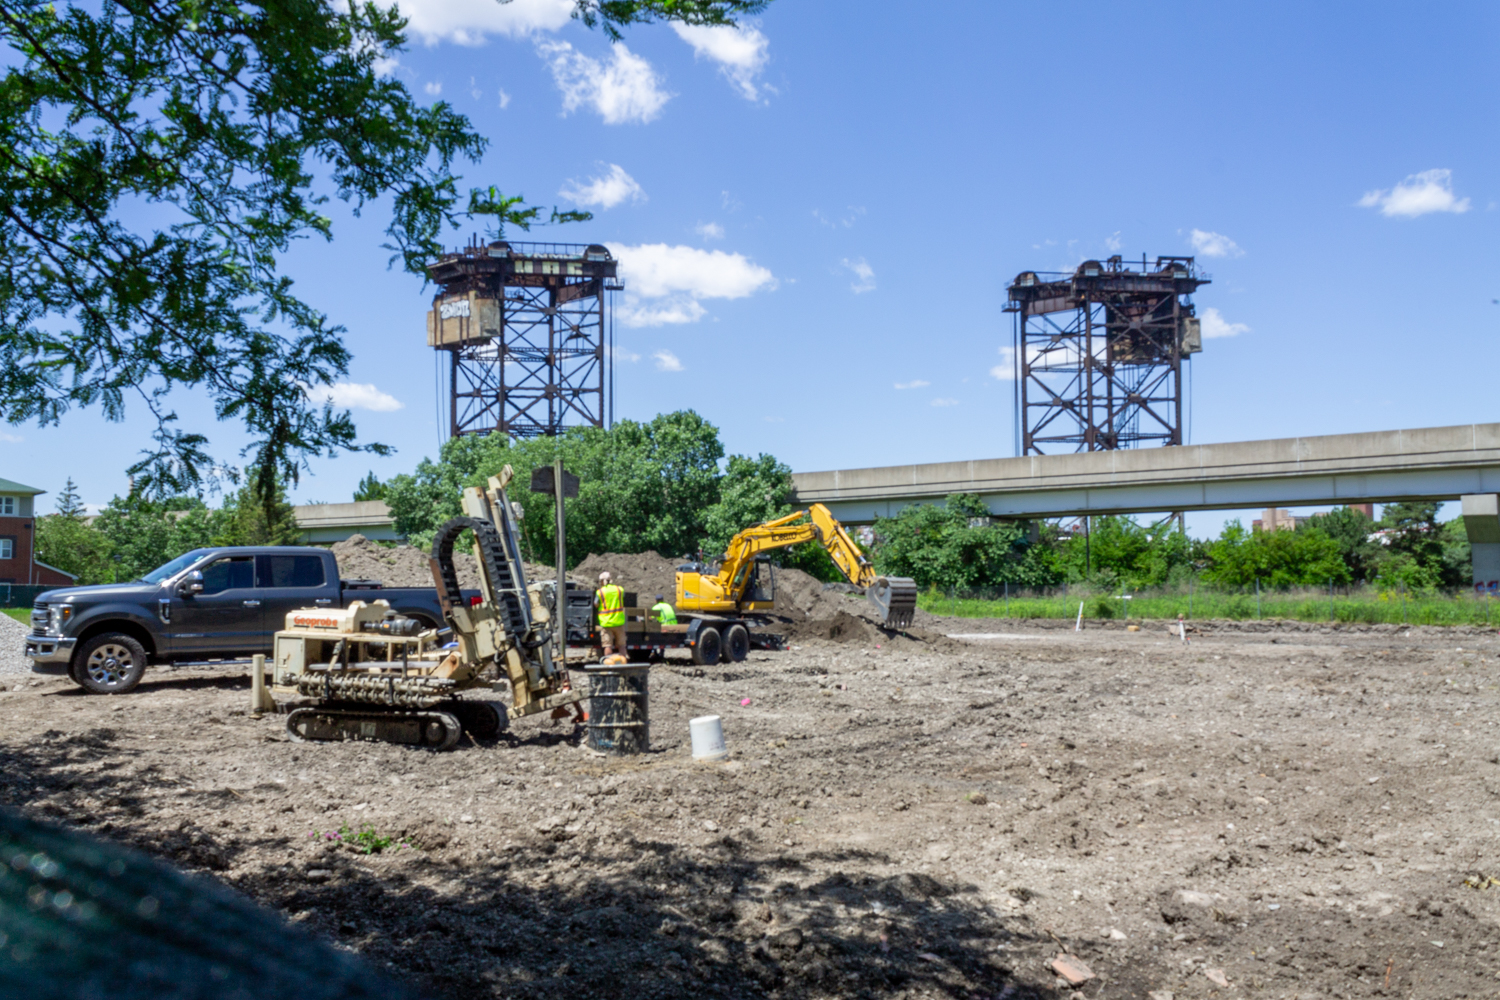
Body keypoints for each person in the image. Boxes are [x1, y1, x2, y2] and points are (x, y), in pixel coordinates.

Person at [594, 571, 626, 657]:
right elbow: (623, 598)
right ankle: (623, 663)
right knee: (622, 645)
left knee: (607, 645)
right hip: (619, 622)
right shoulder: (620, 589)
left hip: (606, 623)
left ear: (602, 581)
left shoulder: (600, 592)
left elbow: (596, 604)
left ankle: (608, 665)